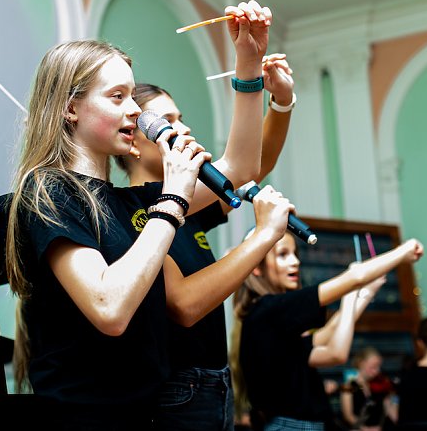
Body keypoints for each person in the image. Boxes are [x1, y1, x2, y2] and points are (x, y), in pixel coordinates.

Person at [5, 0, 276, 429]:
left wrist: (248, 63)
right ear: (70, 108)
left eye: (133, 95)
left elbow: (241, 166)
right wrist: (172, 200)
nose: (135, 110)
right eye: (117, 97)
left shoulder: (125, 201)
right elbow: (109, 308)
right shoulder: (49, 190)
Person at [113, 51, 296, 431]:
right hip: (180, 389)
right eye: (167, 122)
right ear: (134, 141)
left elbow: (252, 167)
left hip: (217, 381)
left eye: (182, 118)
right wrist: (262, 237)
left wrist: (281, 101)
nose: (185, 130)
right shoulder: (133, 214)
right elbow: (184, 304)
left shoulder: (187, 205)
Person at [231, 230, 424, 431]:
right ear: (256, 267)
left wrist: (365, 293)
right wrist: (403, 252)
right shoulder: (268, 309)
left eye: (295, 253)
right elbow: (355, 278)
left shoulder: (272, 318)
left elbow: (328, 334)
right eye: (283, 254)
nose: (295, 261)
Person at [340, 347, 398, 431]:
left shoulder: (380, 385)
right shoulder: (348, 386)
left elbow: (391, 411)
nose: (377, 371)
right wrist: (366, 429)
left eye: (379, 367)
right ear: (361, 363)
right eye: (373, 367)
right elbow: (348, 416)